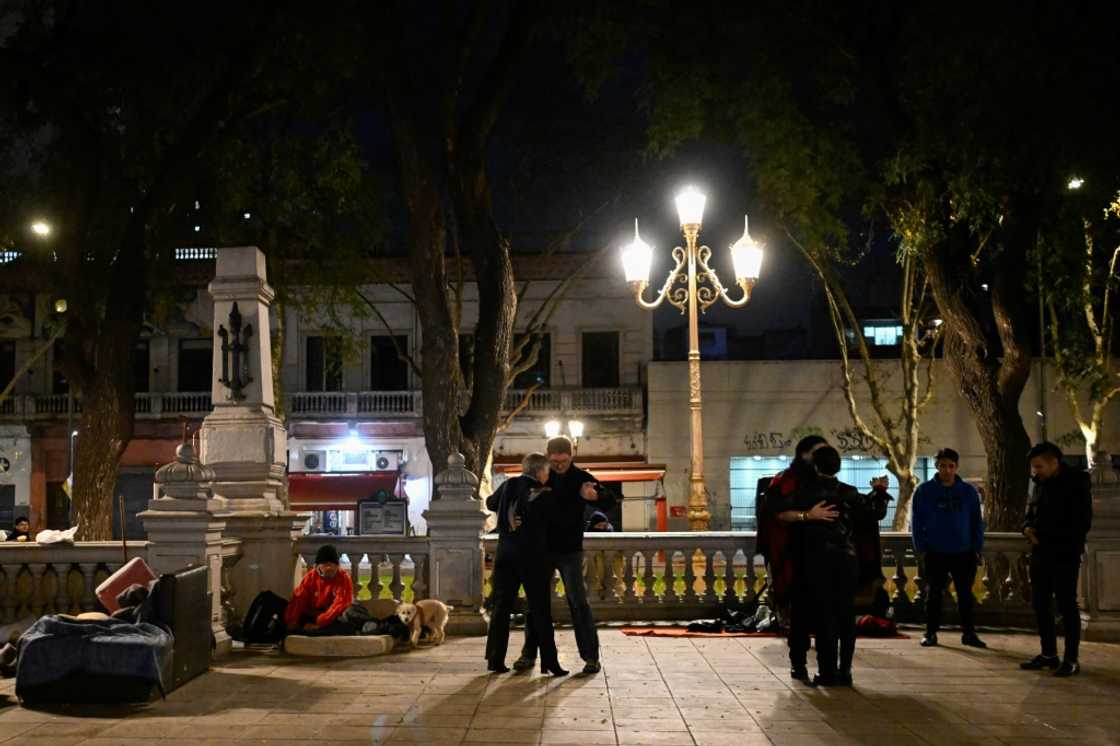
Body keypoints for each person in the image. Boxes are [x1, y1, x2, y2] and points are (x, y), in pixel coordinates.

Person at [771, 446, 890, 687]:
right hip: (845, 561)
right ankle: (844, 671)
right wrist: (879, 491)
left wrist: (806, 516)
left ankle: (826, 672)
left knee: (822, 615)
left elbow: (779, 514)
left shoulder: (805, 493)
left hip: (813, 560)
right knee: (845, 616)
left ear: (815, 466)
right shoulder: (849, 492)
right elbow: (875, 512)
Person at [515, 436, 612, 675]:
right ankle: (528, 654)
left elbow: (610, 500)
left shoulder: (581, 478)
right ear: (548, 457)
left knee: (578, 602)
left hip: (570, 551)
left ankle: (591, 657)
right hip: (541, 550)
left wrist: (595, 497)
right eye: (555, 461)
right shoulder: (538, 477)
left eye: (564, 461)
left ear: (572, 457)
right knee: (535, 604)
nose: (559, 466)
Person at [484, 452, 567, 675]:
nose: (547, 476)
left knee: (501, 608)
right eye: (546, 472)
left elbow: (490, 503)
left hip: (506, 555)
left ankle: (495, 659)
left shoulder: (508, 485)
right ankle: (549, 661)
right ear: (540, 471)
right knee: (540, 609)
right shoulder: (545, 493)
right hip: (534, 558)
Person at [757, 434, 828, 682]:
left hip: (826, 558)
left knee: (825, 616)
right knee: (800, 615)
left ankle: (827, 668)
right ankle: (798, 664)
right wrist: (807, 516)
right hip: (796, 557)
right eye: (816, 452)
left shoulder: (826, 481)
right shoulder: (786, 481)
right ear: (803, 454)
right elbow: (776, 514)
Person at [1020, 442, 1092, 677]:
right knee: (1040, 604)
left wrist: (1048, 537)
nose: (1036, 471)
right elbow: (1030, 512)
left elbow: (1081, 522)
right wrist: (1028, 528)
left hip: (1064, 554)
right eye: (1034, 467)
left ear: (1054, 462)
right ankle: (1049, 653)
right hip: (1040, 553)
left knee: (1066, 605)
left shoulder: (1077, 483)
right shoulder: (1040, 483)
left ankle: (1071, 659)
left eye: (1039, 466)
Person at [911, 447, 986, 649]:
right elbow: (917, 522)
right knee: (933, 595)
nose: (947, 470)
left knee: (965, 596)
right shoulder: (924, 491)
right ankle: (930, 632)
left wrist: (977, 547)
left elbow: (976, 521)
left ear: (957, 467)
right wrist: (921, 547)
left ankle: (969, 633)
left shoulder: (968, 492)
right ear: (937, 466)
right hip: (935, 552)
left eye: (951, 466)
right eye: (943, 466)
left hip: (964, 552)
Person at [283, 544, 354, 636]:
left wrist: (320, 623)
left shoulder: (343, 578)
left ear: (337, 566)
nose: (329, 575)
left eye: (332, 571)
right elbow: (298, 599)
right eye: (326, 571)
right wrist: (292, 620)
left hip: (331, 617)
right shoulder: (310, 577)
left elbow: (340, 604)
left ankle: (314, 631)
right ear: (317, 567)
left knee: (347, 617)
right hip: (312, 615)